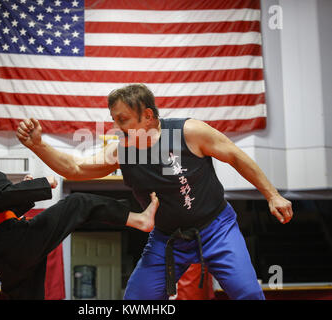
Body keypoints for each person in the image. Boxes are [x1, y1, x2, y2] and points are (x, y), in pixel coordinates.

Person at [17, 83, 293, 300]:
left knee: (248, 294)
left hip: (216, 229)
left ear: (147, 116)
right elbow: (75, 168)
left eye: (123, 119)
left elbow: (235, 156)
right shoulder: (123, 150)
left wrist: (272, 194)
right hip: (167, 238)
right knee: (137, 299)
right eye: (114, 120)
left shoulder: (189, 132)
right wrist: (38, 145)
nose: (117, 127)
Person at [0, 130, 159, 299]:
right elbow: (3, 195)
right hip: (18, 242)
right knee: (78, 202)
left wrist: (23, 194)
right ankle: (138, 219)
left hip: (4, 261)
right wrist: (41, 184)